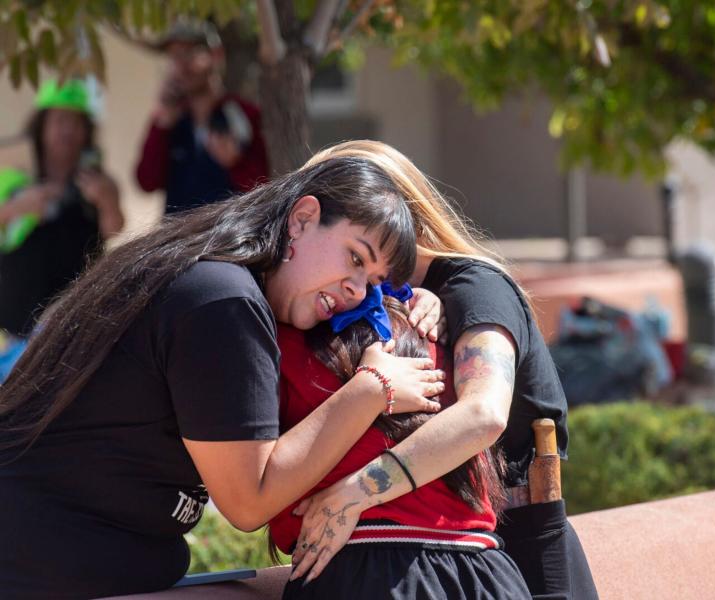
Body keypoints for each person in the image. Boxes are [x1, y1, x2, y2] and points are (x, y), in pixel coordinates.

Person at [0, 153, 446, 599]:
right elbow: (249, 501)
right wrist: (371, 388)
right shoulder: (223, 302)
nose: (357, 290)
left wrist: (413, 305)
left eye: (373, 282)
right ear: (303, 219)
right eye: (354, 257)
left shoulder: (211, 277)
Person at [289, 141, 600, 599]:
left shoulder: (473, 286)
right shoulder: (373, 300)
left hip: (520, 548)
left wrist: (358, 491)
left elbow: (483, 415)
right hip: (454, 550)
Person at [271, 288, 531, 599]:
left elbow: (249, 486)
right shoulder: (425, 319)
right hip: (485, 574)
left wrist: (353, 493)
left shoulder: (280, 336)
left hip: (363, 572)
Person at [0, 79, 124, 376]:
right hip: (14, 331)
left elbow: (115, 232)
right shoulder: (13, 176)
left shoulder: (98, 181)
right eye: (60, 120)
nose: (68, 130)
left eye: (77, 122)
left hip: (74, 331)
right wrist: (19, 207)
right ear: (41, 125)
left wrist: (107, 203)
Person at [135, 20, 269, 213]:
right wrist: (162, 125)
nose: (181, 65)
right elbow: (146, 182)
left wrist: (235, 164)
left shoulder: (245, 114)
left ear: (216, 55)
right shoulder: (169, 119)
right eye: (174, 56)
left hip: (228, 238)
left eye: (190, 53)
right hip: (177, 240)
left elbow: (267, 189)